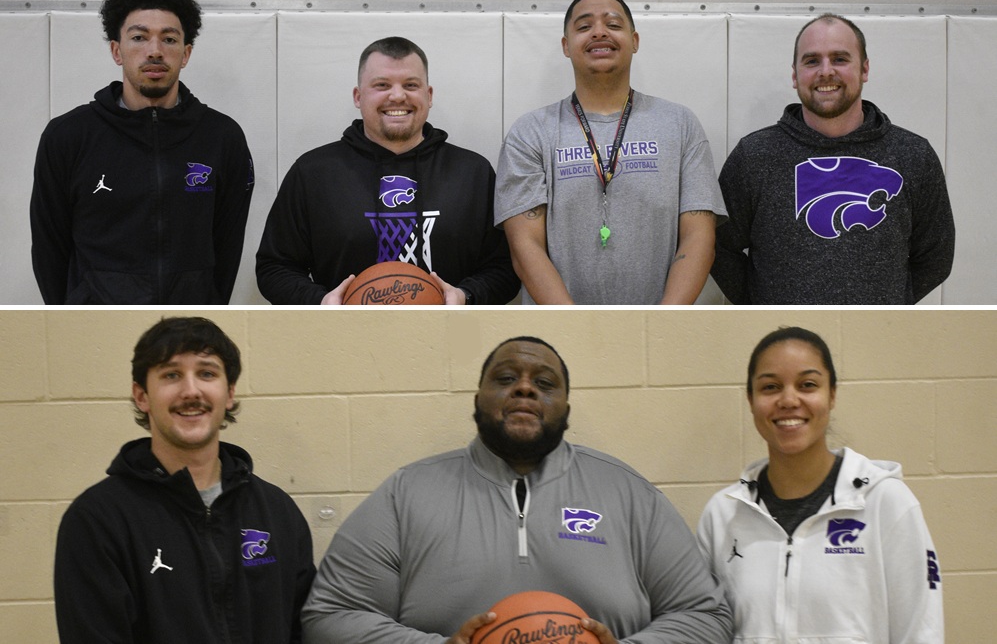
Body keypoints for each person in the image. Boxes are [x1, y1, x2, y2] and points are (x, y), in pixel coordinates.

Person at [302, 336, 733, 643]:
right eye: (506, 378)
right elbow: (329, 616)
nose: (525, 388)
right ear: (477, 398)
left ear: (566, 407)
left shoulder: (630, 494)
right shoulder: (405, 494)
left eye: (544, 384)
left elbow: (706, 616)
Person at [54, 316, 315, 643]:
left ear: (229, 392)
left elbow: (305, 630)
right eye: (171, 374)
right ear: (142, 396)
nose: (191, 391)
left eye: (206, 373)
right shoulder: (97, 521)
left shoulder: (277, 512)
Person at [697, 326, 943, 642]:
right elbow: (704, 627)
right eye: (770, 387)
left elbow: (922, 631)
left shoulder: (886, 502)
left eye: (807, 385)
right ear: (751, 399)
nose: (788, 400)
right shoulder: (722, 514)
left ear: (832, 395)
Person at [29, 0, 254, 305]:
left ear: (186, 53)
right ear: (117, 50)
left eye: (169, 39)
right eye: (139, 37)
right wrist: (73, 317)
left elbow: (227, 246)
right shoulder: (68, 136)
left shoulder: (222, 136)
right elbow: (50, 248)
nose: (154, 51)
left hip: (185, 334)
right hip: (96, 330)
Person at [494, 0, 726, 304]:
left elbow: (699, 238)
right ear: (566, 46)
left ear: (635, 40)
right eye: (584, 26)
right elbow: (525, 248)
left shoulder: (680, 124)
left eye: (613, 24)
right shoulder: (530, 132)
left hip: (658, 334)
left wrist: (659, 325)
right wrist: (575, 330)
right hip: (561, 338)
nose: (600, 32)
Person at [711, 14, 956, 304]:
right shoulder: (754, 156)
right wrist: (763, 304)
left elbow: (936, 254)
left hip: (879, 339)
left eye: (840, 59)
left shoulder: (913, 155)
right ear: (795, 74)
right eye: (812, 61)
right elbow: (717, 246)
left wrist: (890, 302)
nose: (826, 72)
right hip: (783, 341)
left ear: (864, 69)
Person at [256, 36, 519, 305]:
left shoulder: (472, 173)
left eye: (411, 85)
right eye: (382, 85)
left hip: (448, 337)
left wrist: (466, 296)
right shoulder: (313, 172)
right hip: (343, 339)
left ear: (428, 96)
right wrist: (321, 302)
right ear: (359, 97)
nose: (397, 96)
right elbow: (274, 267)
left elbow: (506, 268)